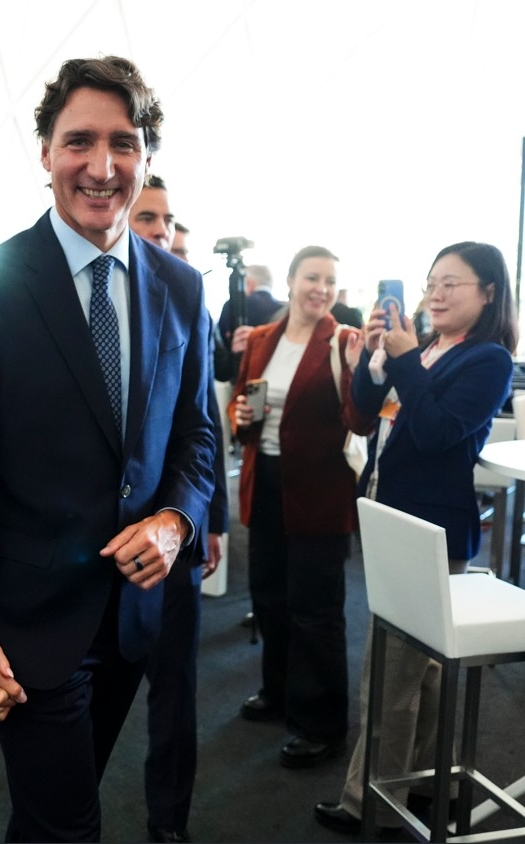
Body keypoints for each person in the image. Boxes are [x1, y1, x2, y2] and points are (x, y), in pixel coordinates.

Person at [0, 56, 216, 843]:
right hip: (24, 628)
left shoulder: (180, 288)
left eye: (122, 143)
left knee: (53, 814)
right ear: (44, 153)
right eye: (78, 140)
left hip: (131, 616)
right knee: (67, 827)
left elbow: (195, 439)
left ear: (145, 156)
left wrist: (174, 523)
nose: (101, 165)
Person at [314, 241, 517, 837]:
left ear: (488, 293)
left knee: (393, 671)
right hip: (392, 517)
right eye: (432, 281)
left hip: (430, 530)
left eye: (452, 283)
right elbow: (365, 411)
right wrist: (376, 360)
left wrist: (404, 361)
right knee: (423, 667)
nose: (435, 293)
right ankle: (428, 782)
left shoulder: (488, 360)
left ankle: (365, 801)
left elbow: (434, 435)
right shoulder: (427, 348)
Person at [229, 245, 361, 769]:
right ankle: (278, 691)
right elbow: (246, 418)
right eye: (312, 277)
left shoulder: (344, 342)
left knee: (317, 611)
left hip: (320, 489)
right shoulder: (262, 339)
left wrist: (360, 371)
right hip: (267, 483)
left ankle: (321, 724)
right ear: (289, 281)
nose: (321, 289)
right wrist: (241, 415)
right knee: (270, 596)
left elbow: (361, 418)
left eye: (330, 280)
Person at [128, 178, 227, 841]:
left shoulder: (185, 297)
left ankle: (169, 826)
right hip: (94, 550)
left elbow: (202, 421)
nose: (160, 232)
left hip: (176, 541)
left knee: (175, 701)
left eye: (166, 222)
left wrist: (205, 520)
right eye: (149, 218)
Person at [215, 263, 284, 383]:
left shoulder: (232, 306)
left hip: (242, 378)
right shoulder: (287, 310)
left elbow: (221, 349)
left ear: (249, 283)